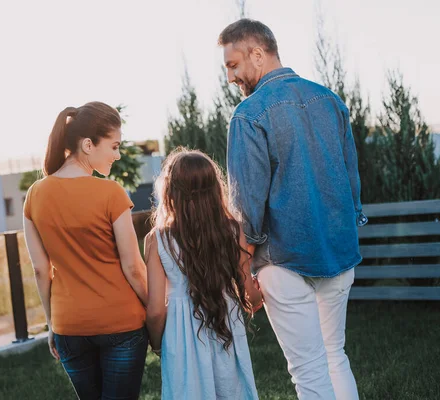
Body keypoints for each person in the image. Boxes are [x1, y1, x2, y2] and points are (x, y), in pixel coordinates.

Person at [219, 18, 367, 400]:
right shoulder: (330, 101)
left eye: (233, 65)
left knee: (309, 369)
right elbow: (352, 182)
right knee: (336, 355)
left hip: (282, 261)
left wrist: (243, 274)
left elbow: (245, 208)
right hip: (338, 253)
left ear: (257, 53)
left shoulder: (248, 116)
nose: (231, 77)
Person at [23, 101, 149, 400]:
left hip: (69, 326)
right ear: (88, 145)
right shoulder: (111, 192)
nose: (118, 155)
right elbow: (133, 267)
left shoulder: (35, 195)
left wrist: (53, 323)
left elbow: (41, 270)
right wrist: (155, 311)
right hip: (122, 324)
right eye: (114, 146)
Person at [144, 148, 262, 400]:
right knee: (230, 388)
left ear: (170, 191)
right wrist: (257, 298)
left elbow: (155, 309)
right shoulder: (232, 230)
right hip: (224, 323)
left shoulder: (158, 240)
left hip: (180, 333)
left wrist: (156, 343)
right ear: (214, 189)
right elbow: (248, 293)